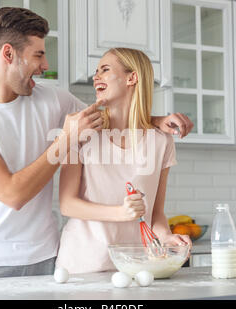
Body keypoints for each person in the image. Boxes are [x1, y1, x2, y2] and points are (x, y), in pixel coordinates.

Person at [0, 7, 193, 280]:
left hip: (47, 256)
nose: (45, 65)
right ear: (8, 54)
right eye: (39, 54)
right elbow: (13, 194)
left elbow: (111, 118)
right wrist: (67, 138)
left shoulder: (53, 99)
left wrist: (157, 119)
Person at [56, 48, 192, 274]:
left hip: (136, 266)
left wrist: (167, 236)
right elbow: (67, 204)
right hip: (81, 265)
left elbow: (155, 213)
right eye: (95, 72)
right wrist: (121, 212)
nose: (95, 77)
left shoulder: (161, 141)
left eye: (105, 69)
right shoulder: (82, 133)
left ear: (132, 78)